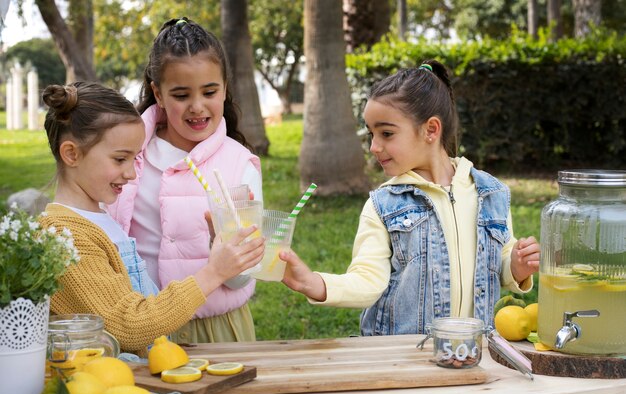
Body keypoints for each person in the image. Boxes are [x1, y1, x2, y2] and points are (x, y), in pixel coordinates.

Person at [280, 60, 540, 335]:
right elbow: (368, 280)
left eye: (387, 133)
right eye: (371, 134)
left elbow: (500, 259)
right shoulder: (383, 205)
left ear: (430, 130)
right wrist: (314, 283)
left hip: (473, 350)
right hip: (402, 356)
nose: (374, 146)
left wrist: (516, 265)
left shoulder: (491, 192)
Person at [38, 82, 264, 355]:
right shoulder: (64, 236)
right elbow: (127, 327)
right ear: (72, 153)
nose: (132, 173)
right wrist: (213, 272)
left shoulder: (99, 219)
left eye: (135, 159)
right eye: (120, 159)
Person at [107, 17, 263, 344]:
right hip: (141, 327)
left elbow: (243, 277)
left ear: (225, 90)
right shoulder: (127, 155)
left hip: (217, 330)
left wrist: (225, 254)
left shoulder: (239, 165)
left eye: (210, 91)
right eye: (180, 95)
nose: (197, 107)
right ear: (158, 94)